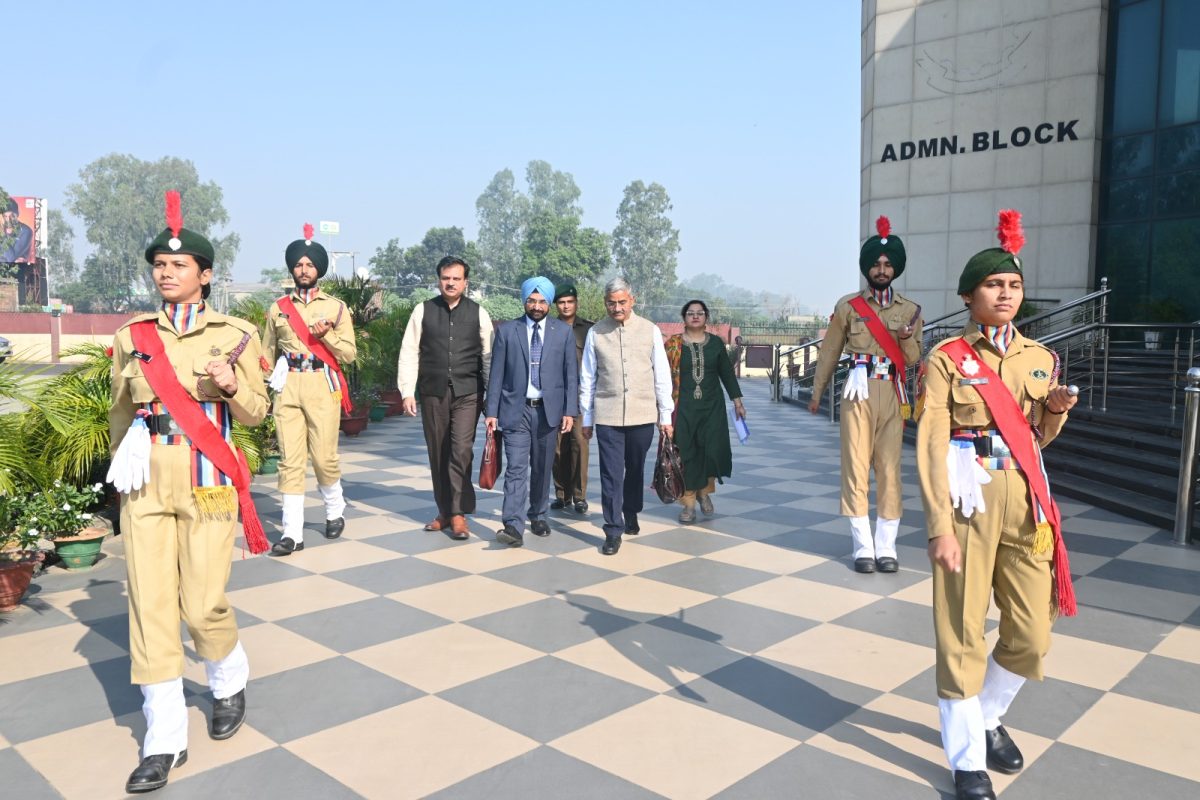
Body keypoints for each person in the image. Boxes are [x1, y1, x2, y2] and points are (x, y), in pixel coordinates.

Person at [107, 192, 269, 793]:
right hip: (147, 480)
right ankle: (164, 737)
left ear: (205, 275)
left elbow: (256, 414)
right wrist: (117, 477)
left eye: (178, 265)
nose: (166, 273)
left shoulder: (237, 334)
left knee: (202, 604)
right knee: (149, 606)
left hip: (209, 482)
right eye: (159, 265)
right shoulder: (132, 336)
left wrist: (231, 387)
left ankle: (228, 677)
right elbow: (119, 412)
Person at [916, 210, 1078, 800]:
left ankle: (987, 716)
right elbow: (932, 442)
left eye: (1013, 284)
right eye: (993, 284)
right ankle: (967, 760)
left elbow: (1036, 439)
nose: (1005, 293)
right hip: (968, 502)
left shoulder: (1041, 358)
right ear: (969, 295)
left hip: (1026, 503)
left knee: (1032, 632)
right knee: (961, 631)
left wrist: (1053, 412)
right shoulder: (947, 357)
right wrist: (939, 525)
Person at [809, 216, 922, 574]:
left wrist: (906, 339)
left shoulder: (910, 310)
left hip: (892, 391)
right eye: (876, 263)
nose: (882, 269)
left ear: (896, 268)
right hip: (857, 390)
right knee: (855, 467)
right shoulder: (848, 306)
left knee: (889, 470)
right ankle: (863, 547)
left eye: (888, 264)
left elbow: (914, 359)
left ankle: (886, 547)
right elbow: (829, 351)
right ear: (867, 267)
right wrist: (817, 391)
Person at [263, 224, 356, 556]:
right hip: (288, 386)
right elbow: (266, 354)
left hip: (322, 384)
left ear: (319, 269)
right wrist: (263, 389)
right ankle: (292, 533)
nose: (304, 270)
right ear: (292, 269)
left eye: (310, 264)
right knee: (290, 461)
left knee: (323, 457)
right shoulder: (277, 308)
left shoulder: (336, 307)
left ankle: (334, 509)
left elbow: (349, 354)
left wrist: (326, 335)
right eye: (299, 264)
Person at [398, 256, 493, 540]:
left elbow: (488, 356)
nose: (450, 283)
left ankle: (458, 513)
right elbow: (409, 351)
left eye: (456, 278)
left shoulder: (479, 313)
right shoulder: (423, 310)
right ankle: (445, 512)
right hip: (433, 392)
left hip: (468, 392)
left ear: (466, 282)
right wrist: (407, 390)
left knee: (461, 450)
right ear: (439, 280)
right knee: (438, 452)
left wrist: (491, 397)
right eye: (446, 278)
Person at [579, 277, 674, 555]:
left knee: (634, 469)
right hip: (607, 415)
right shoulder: (596, 333)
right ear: (605, 303)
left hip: (642, 415)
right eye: (612, 303)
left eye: (622, 302)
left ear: (632, 300)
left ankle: (631, 511)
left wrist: (665, 415)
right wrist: (587, 418)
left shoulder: (650, 330)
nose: (617, 308)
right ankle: (612, 529)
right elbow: (588, 377)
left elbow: (661, 374)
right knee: (610, 473)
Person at [485, 277, 578, 547]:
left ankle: (538, 515)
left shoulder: (563, 332)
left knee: (541, 467)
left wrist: (569, 411)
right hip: (516, 410)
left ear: (549, 303)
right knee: (515, 468)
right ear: (524, 301)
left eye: (542, 301)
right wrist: (491, 411)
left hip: (548, 412)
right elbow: (496, 374)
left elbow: (570, 375)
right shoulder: (507, 331)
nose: (536, 306)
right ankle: (513, 525)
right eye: (531, 301)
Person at [664, 300, 745, 524]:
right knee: (686, 452)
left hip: (712, 407)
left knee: (710, 452)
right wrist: (662, 411)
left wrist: (737, 402)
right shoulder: (673, 344)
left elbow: (726, 374)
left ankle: (704, 492)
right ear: (684, 318)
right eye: (690, 313)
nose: (695, 316)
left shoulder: (715, 344)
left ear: (706, 317)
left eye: (700, 313)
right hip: (683, 407)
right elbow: (661, 376)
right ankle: (689, 503)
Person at [551, 284, 594, 514]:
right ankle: (562, 494)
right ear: (556, 305)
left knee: (579, 444)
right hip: (554, 396)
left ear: (576, 303)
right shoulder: (548, 327)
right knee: (557, 448)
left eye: (570, 301)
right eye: (561, 302)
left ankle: (579, 496)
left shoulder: (589, 330)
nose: (566, 306)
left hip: (580, 396)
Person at [1, 197, 33, 263]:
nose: (8, 220)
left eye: (12, 216)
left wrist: (3, 236)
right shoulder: (2, 228)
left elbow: (11, 258)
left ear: (18, 214)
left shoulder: (26, 231)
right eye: (5, 216)